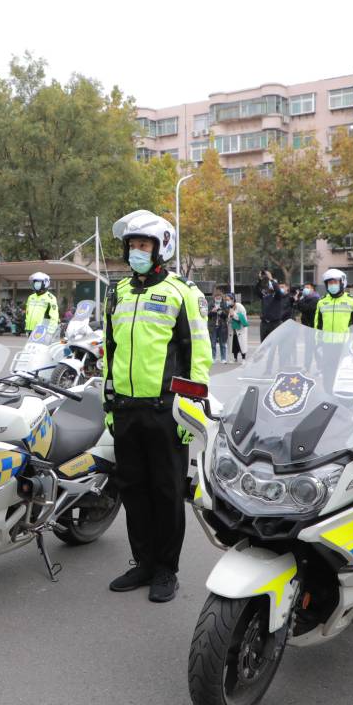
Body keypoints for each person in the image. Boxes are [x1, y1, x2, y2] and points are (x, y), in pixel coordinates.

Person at [103, 210, 212, 603]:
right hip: (126, 408)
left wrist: (190, 411)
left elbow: (198, 355)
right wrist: (109, 403)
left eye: (143, 245)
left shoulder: (182, 293)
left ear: (161, 248)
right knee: (133, 490)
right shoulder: (118, 293)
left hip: (166, 411)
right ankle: (144, 563)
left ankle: (167, 569)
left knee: (167, 492)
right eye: (132, 245)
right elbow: (110, 351)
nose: (136, 251)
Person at [312, 268, 353, 339]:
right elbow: (318, 324)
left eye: (335, 282)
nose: (332, 285)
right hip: (326, 342)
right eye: (330, 283)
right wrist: (318, 341)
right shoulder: (321, 301)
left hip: (347, 342)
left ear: (342, 283)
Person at [258, 270, 292, 341]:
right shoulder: (265, 295)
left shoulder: (278, 296)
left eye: (282, 286)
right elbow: (257, 290)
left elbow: (278, 291)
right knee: (264, 344)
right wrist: (260, 280)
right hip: (264, 323)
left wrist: (271, 279)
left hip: (275, 323)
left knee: (275, 343)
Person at [228, 294, 249, 361]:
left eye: (228, 300)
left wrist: (233, 315)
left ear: (233, 300)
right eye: (226, 300)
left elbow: (242, 318)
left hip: (240, 328)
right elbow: (229, 319)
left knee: (241, 343)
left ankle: (243, 358)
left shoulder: (240, 307)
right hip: (233, 329)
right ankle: (235, 358)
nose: (227, 301)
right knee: (234, 343)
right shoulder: (229, 307)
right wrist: (230, 317)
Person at [211, 298, 230, 363]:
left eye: (219, 298)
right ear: (214, 298)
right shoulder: (211, 304)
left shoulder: (224, 304)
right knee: (213, 343)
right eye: (216, 297)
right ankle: (213, 358)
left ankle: (223, 358)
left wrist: (220, 311)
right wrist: (212, 312)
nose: (218, 299)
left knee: (222, 343)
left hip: (222, 327)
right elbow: (207, 315)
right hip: (213, 327)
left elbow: (226, 315)